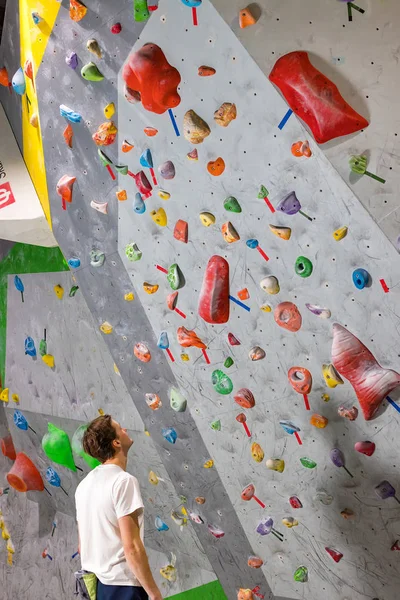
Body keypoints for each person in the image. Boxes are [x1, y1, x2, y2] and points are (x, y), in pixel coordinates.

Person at [75, 415, 163, 600]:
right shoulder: (123, 481)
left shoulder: (83, 486)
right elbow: (131, 547)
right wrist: (154, 594)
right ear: (116, 442)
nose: (126, 431)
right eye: (121, 428)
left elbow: (83, 546)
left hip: (99, 587)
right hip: (124, 587)